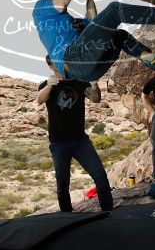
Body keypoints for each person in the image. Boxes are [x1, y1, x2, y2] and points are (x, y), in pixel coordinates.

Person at [37, 54, 113, 212]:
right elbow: (40, 99)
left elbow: (96, 99)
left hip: (80, 141)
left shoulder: (79, 82)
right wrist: (50, 86)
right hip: (58, 143)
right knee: (62, 183)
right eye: (56, 62)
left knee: (100, 175)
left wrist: (94, 86)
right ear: (51, 66)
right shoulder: (46, 84)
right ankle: (67, 216)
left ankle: (108, 211)